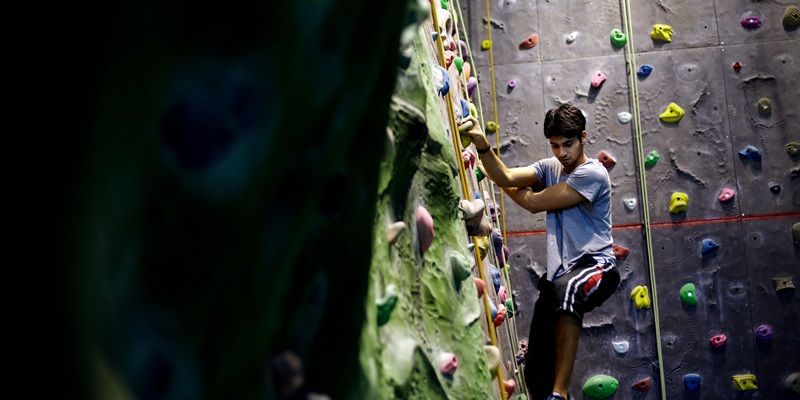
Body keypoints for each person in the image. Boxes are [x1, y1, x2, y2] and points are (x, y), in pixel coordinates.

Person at [458, 103, 620, 400]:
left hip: (597, 266)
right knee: (535, 369)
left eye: (568, 144)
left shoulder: (592, 174)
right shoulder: (549, 167)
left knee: (566, 290)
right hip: (561, 276)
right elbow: (506, 176)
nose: (562, 153)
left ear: (584, 137)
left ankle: (560, 392)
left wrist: (495, 177)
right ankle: (548, 392)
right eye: (555, 145)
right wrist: (482, 146)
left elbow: (533, 202)